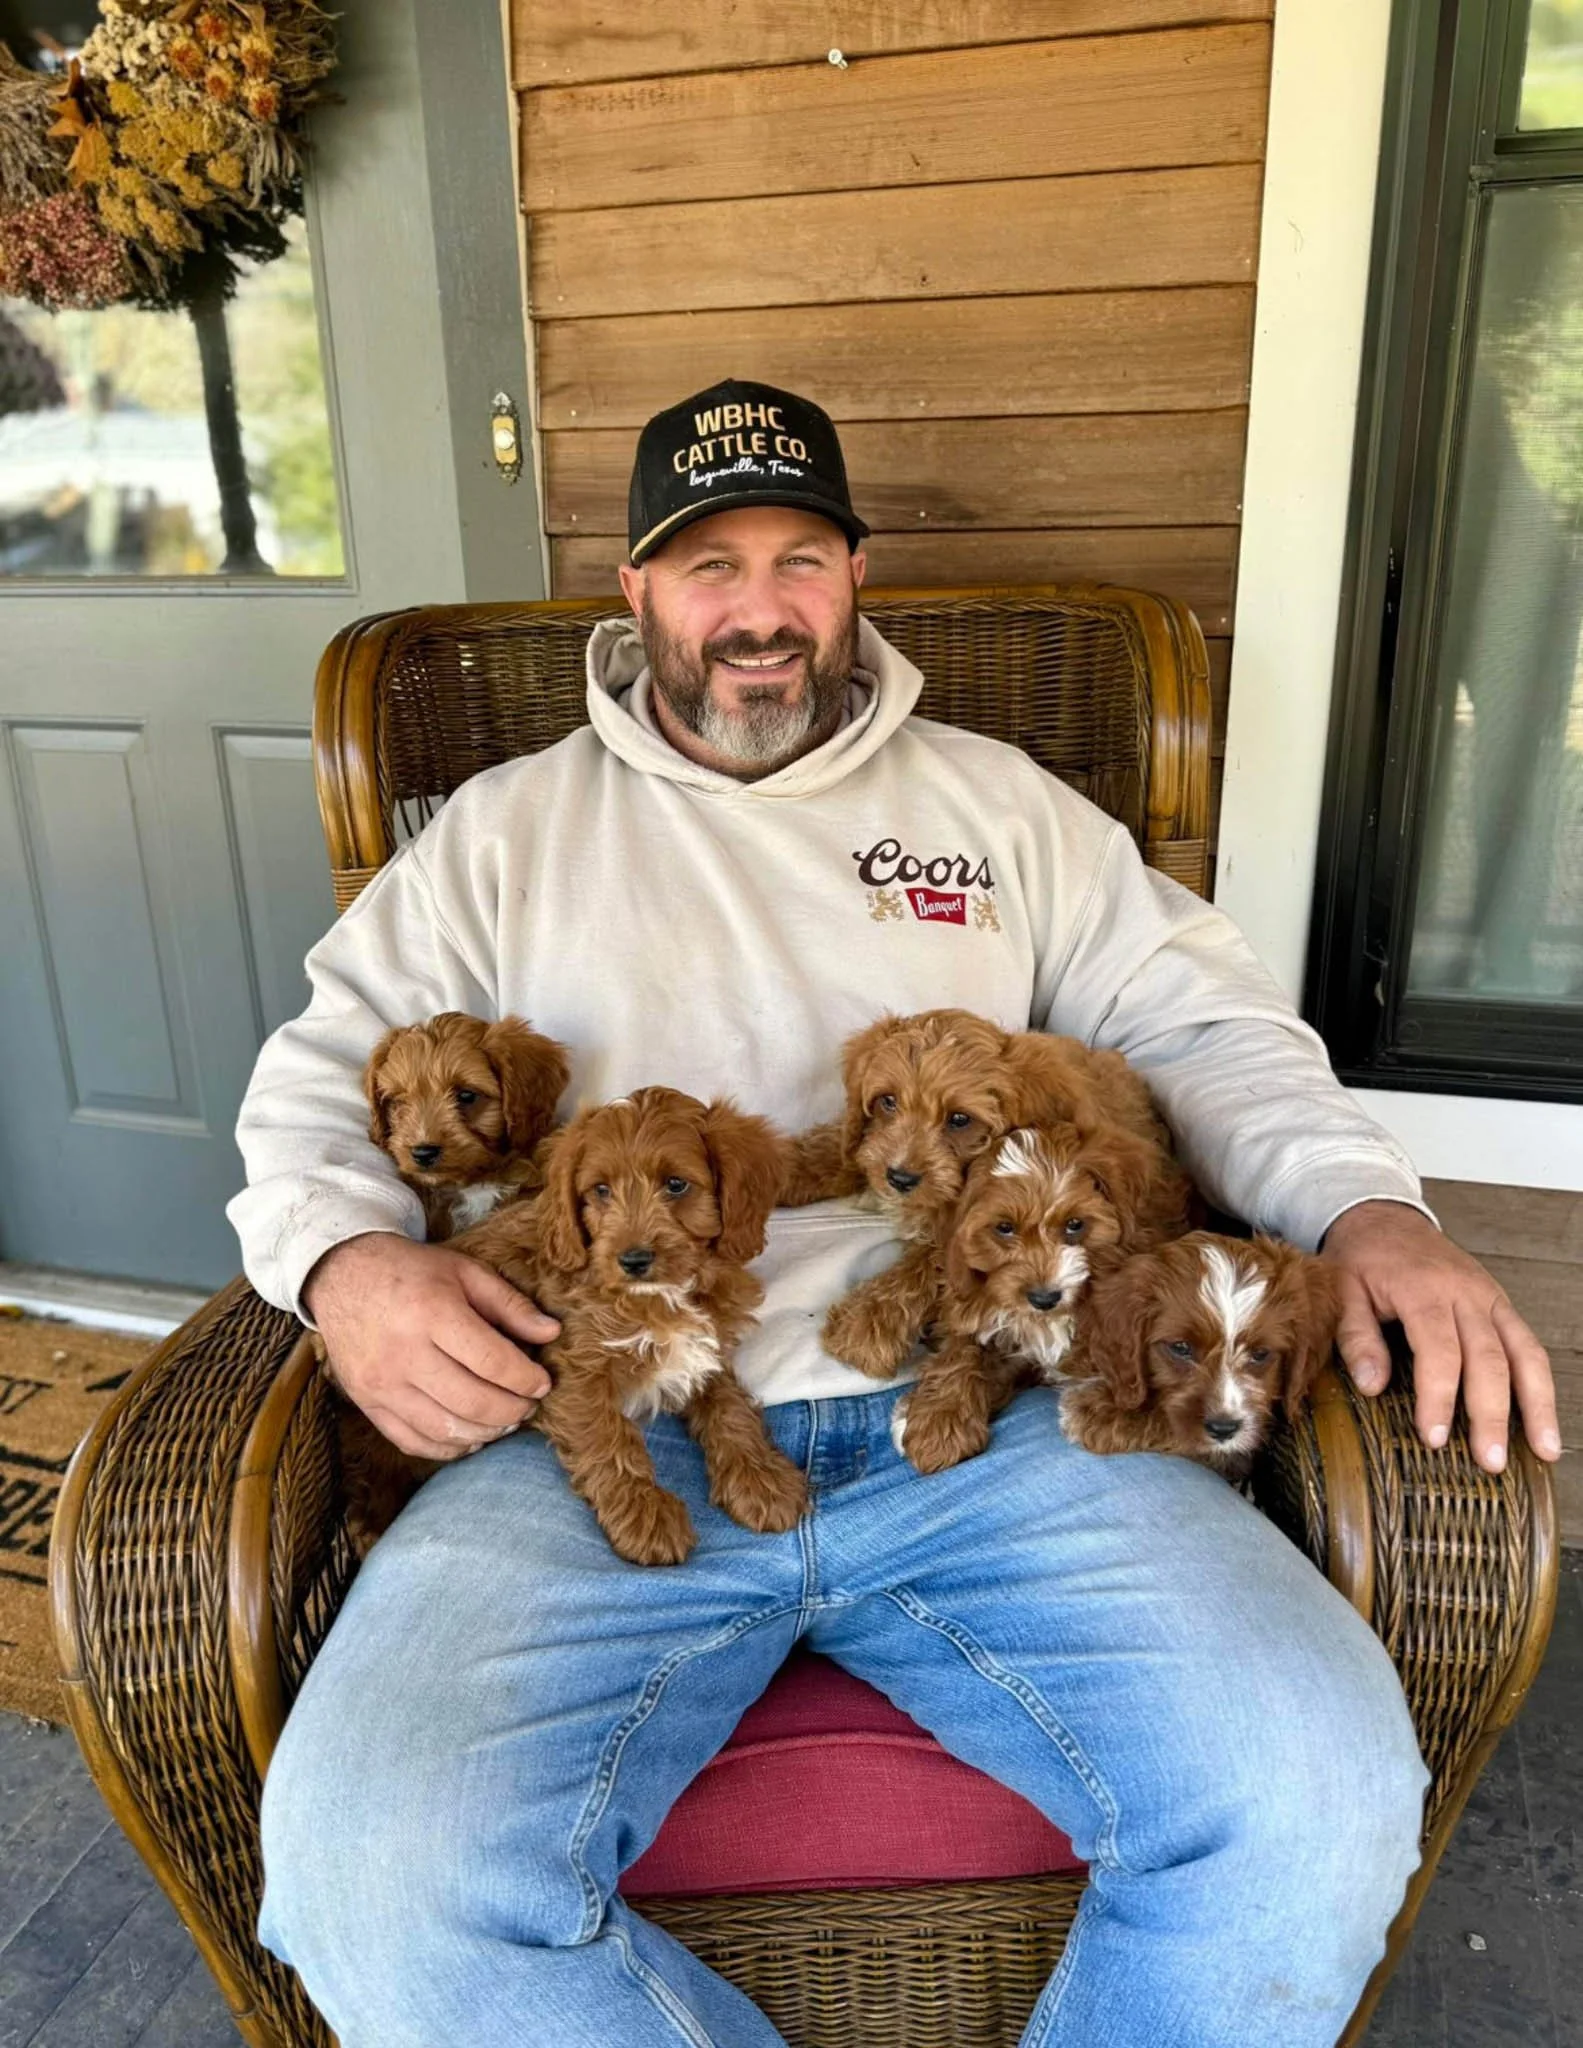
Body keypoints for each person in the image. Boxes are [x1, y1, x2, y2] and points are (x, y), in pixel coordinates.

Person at [231, 380, 1558, 2048]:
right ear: (636, 597)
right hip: (599, 1440)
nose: (758, 610)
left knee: (1314, 1795)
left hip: (1005, 1420)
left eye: (800, 558)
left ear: (852, 580)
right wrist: (349, 1265)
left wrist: (1371, 1213)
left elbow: (1202, 1034)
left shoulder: (1000, 811)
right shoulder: (501, 835)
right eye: (707, 567)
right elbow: (317, 1085)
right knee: (370, 1875)